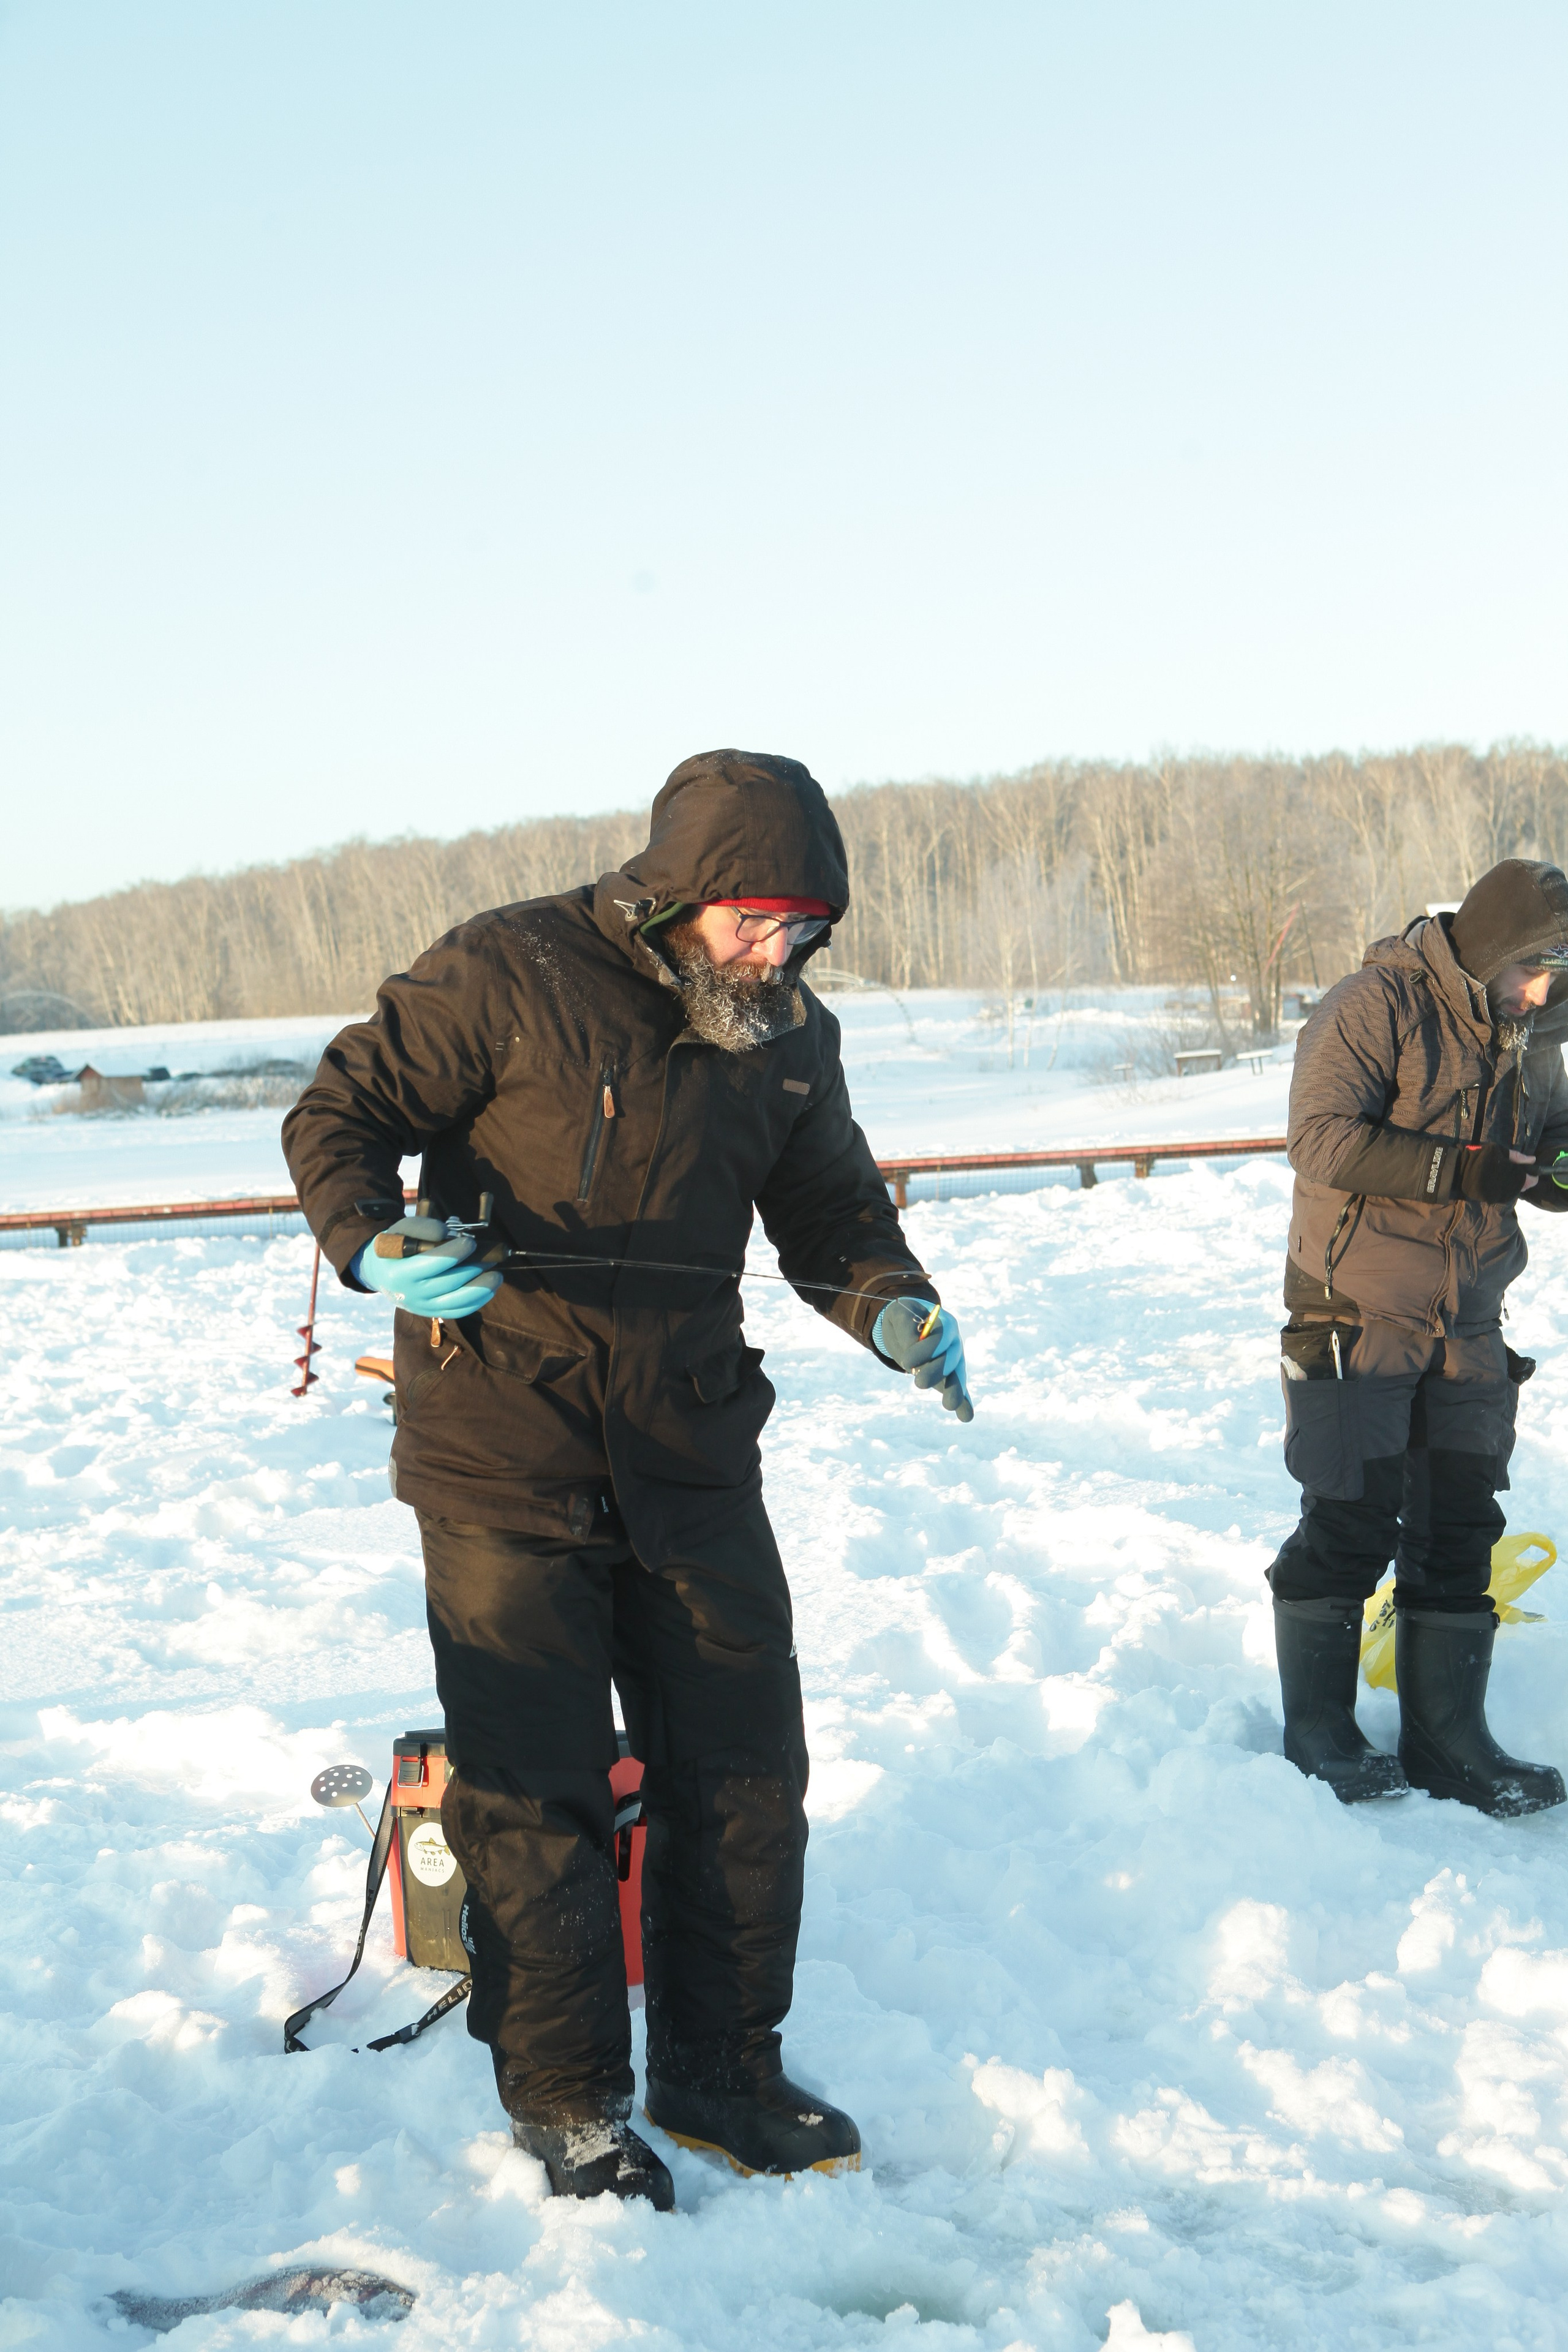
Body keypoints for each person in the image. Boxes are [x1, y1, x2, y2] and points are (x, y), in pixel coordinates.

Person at [282, 749, 972, 2209]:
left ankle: (722, 2068)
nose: (776, 951)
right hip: (502, 1449)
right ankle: (569, 2102)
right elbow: (339, 1112)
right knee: (537, 1797)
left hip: (693, 1447)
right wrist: (370, 1238)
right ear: (677, 894)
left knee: (742, 1772)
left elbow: (831, 1209)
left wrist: (889, 1302)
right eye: (754, 922)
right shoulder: (507, 968)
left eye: (803, 929)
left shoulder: (786, 1035)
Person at [1268, 858, 1568, 1815]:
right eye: (1535, 970)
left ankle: (1450, 1742)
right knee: (1353, 1512)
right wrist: (1465, 1169)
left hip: (1469, 1317)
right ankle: (1320, 1729)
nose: (1546, 993)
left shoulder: (1532, 1033)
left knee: (1460, 1527)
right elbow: (1320, 1137)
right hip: (1358, 1306)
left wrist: (1553, 1168)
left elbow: (1542, 1146)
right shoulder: (1376, 1003)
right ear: (1487, 955)